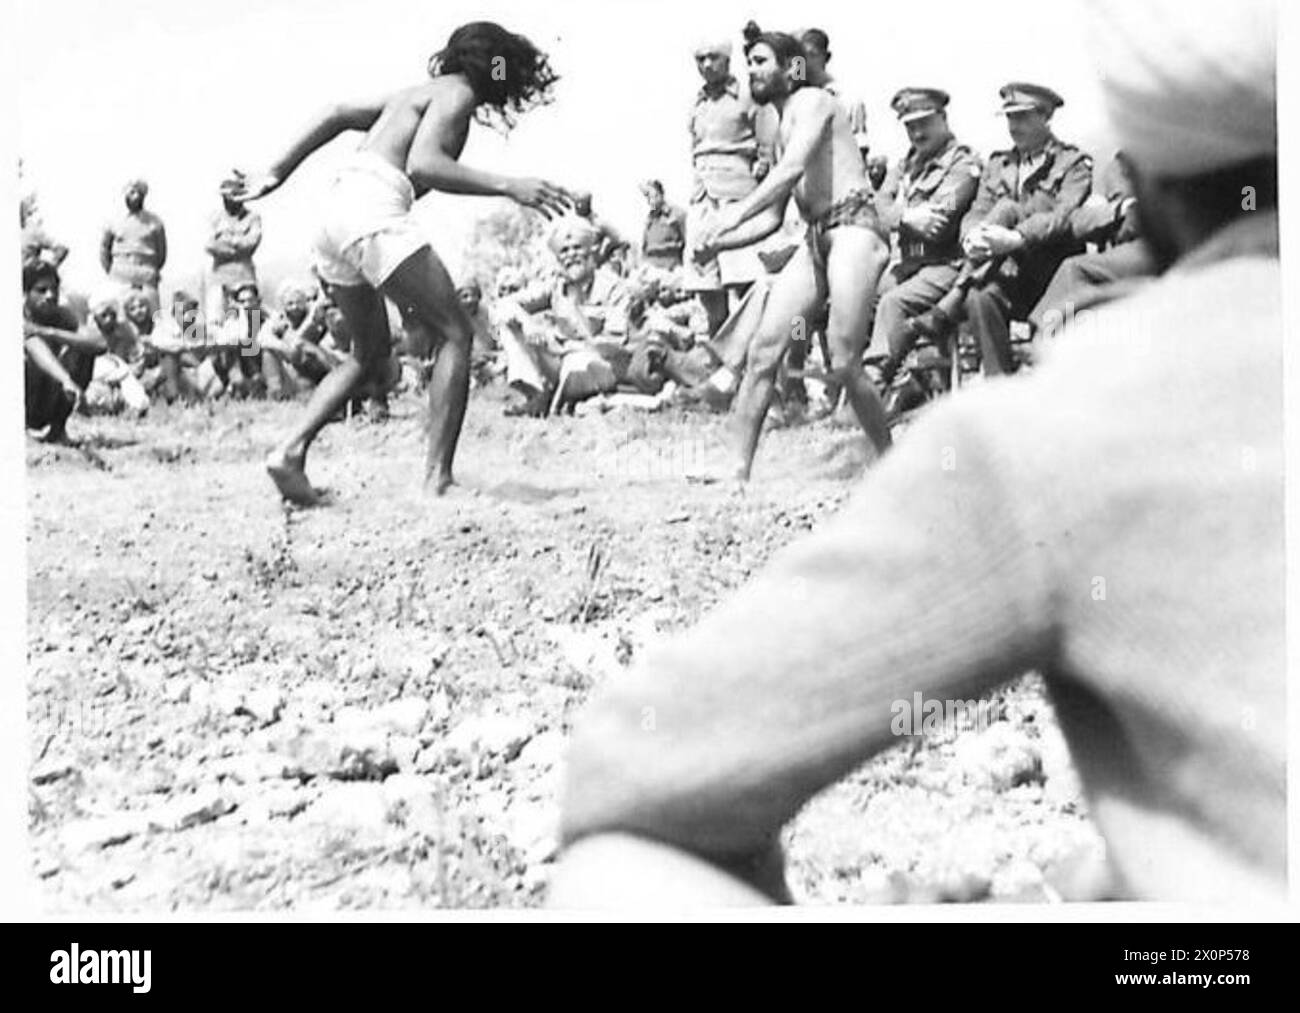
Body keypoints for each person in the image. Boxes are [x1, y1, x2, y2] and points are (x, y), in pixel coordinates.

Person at [553, 0, 1281, 907]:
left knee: (856, 350)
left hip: (872, 243)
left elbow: (630, 768)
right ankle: (757, 462)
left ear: (1145, 177)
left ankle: (887, 453)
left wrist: (728, 222)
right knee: (783, 349)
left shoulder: (1066, 424)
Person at [225, 21, 573, 504]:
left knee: (368, 354)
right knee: (456, 332)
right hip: (371, 207)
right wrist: (510, 185)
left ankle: (288, 452)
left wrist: (277, 171)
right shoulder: (461, 93)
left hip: (334, 209)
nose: (506, 80)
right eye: (503, 69)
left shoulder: (416, 93)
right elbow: (424, 166)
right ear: (492, 65)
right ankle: (438, 480)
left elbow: (338, 112)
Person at [692, 30, 893, 481]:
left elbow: (790, 172)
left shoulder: (816, 102)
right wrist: (719, 243)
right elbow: (771, 219)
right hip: (817, 236)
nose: (753, 71)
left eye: (762, 61)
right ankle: (735, 468)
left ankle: (889, 461)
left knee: (843, 361)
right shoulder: (780, 126)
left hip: (855, 228)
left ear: (792, 67)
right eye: (750, 64)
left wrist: (730, 216)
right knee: (763, 352)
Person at [958, 84, 1092, 375]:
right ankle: (999, 386)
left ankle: (952, 295)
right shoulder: (998, 164)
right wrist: (970, 236)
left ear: (1046, 117)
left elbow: (1062, 216)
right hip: (1009, 273)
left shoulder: (1073, 164)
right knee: (980, 298)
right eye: (1009, 118)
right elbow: (978, 210)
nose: (1013, 126)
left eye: (1022, 118)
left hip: (1054, 272)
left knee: (1008, 208)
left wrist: (1016, 237)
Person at [868, 88, 982, 383]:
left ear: (942, 118)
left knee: (893, 302)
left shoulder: (964, 165)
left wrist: (897, 211)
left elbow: (938, 223)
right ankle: (908, 380)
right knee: (860, 295)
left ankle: (877, 382)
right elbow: (876, 208)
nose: (917, 133)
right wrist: (906, 216)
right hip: (908, 264)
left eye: (923, 124)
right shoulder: (905, 165)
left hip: (945, 266)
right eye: (909, 126)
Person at [683, 39, 773, 337]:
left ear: (727, 60)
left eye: (713, 57)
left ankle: (754, 348)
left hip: (736, 195)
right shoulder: (698, 102)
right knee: (705, 281)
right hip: (702, 196)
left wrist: (762, 166)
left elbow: (768, 143)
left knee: (745, 277)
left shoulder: (748, 97)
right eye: (700, 58)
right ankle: (718, 346)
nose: (707, 65)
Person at [495, 218, 628, 414]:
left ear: (591, 250)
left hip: (601, 364)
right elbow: (504, 304)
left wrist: (570, 347)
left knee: (577, 364)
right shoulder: (556, 286)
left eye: (577, 248)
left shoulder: (613, 287)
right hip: (563, 360)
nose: (571, 255)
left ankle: (564, 400)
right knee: (509, 323)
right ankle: (537, 396)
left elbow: (616, 344)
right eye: (564, 251)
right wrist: (528, 324)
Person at [1028, 152, 1158, 337]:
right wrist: (1120, 210)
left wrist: (1128, 216)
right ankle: (1049, 339)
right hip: (1128, 245)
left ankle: (1040, 338)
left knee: (1076, 269)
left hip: (1158, 247)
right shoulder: (1119, 164)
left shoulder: (1171, 158)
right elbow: (1083, 220)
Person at [23, 261, 106, 443]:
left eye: (54, 289)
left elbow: (99, 343)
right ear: (25, 293)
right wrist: (66, 380)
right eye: (41, 290)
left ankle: (57, 431)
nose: (50, 295)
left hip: (47, 396)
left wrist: (52, 333)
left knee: (84, 349)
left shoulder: (61, 315)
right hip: (23, 399)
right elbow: (34, 346)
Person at [797, 28, 868, 161]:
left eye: (812, 55)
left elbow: (860, 148)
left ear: (826, 57)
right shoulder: (794, 100)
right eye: (800, 58)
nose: (806, 63)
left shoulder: (847, 99)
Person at [99, 178, 167, 311]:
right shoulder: (113, 221)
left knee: (152, 318)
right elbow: (104, 251)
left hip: (146, 277)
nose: (135, 197)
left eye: (139, 193)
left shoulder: (155, 222)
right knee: (119, 315)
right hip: (120, 277)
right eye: (131, 192)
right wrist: (115, 270)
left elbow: (161, 255)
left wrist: (147, 268)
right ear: (125, 195)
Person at [205, 180, 264, 325]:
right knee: (216, 321)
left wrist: (227, 241)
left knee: (250, 320)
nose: (227, 200)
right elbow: (210, 245)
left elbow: (252, 243)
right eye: (224, 197)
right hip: (219, 277)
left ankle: (251, 348)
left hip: (244, 276)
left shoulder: (253, 218)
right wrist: (238, 245)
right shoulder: (215, 217)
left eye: (231, 196)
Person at [640, 180, 688, 271]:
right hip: (651, 268)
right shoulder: (649, 219)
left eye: (655, 196)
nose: (652, 200)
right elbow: (644, 249)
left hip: (671, 269)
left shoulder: (677, 214)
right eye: (649, 197)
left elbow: (688, 243)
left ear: (662, 195)